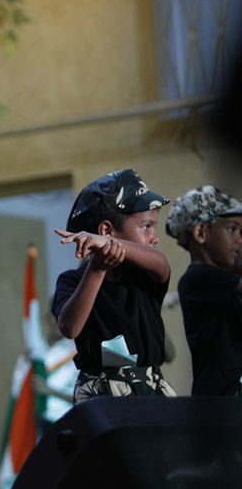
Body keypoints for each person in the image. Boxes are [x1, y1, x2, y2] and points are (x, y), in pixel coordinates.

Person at [52, 169, 175, 402]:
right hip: (100, 395)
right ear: (106, 229)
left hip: (150, 389)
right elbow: (70, 328)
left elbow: (161, 264)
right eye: (146, 227)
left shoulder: (146, 275)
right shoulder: (71, 281)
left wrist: (109, 243)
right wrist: (97, 269)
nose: (155, 237)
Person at [164, 185, 242, 396]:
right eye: (232, 229)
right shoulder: (197, 278)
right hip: (219, 405)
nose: (239, 239)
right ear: (200, 233)